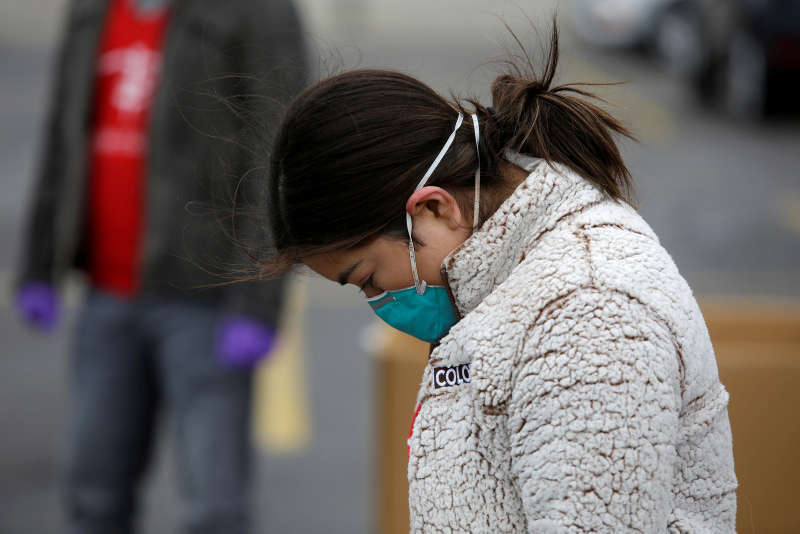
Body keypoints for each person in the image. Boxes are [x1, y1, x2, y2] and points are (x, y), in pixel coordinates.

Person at [259, 22, 737, 533]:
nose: (378, 301)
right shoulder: (503, 286)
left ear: (434, 208)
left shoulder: (586, 314)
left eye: (368, 278)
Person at [15, 0, 306, 531]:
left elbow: (278, 151)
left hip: (206, 301)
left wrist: (260, 299)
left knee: (213, 511)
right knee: (94, 500)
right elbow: (62, 136)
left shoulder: (259, 11)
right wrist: (37, 265)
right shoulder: (92, 11)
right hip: (105, 298)